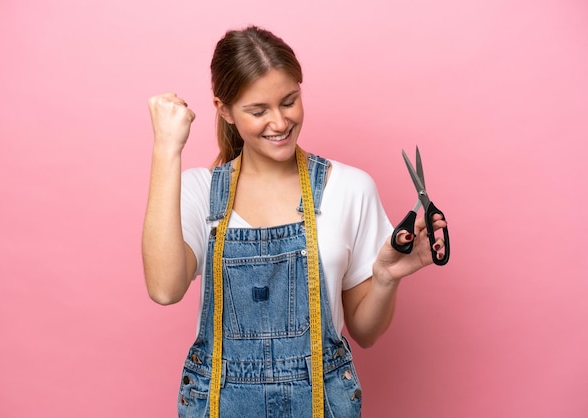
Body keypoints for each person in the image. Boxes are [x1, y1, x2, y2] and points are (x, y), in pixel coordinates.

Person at [142, 26, 446, 417]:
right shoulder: (199, 192)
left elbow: (365, 333)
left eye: (289, 101)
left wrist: (387, 276)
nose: (280, 122)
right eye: (258, 110)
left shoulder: (350, 188)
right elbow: (165, 289)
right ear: (224, 110)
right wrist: (167, 148)